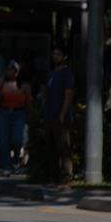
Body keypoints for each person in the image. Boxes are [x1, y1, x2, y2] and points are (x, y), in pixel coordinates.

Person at [0, 60, 32, 174]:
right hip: (3, 113)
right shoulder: (3, 83)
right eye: (8, 69)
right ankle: (6, 166)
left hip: (19, 113)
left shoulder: (24, 86)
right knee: (4, 141)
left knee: (17, 139)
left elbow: (29, 101)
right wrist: (2, 78)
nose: (10, 72)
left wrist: (30, 115)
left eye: (13, 70)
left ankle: (16, 161)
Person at [43, 45, 76, 184]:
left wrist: (63, 113)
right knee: (51, 149)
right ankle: (54, 177)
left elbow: (68, 94)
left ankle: (67, 177)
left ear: (64, 57)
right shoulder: (52, 73)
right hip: (49, 116)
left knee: (63, 148)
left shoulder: (66, 73)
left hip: (60, 116)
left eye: (58, 54)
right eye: (54, 54)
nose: (55, 56)